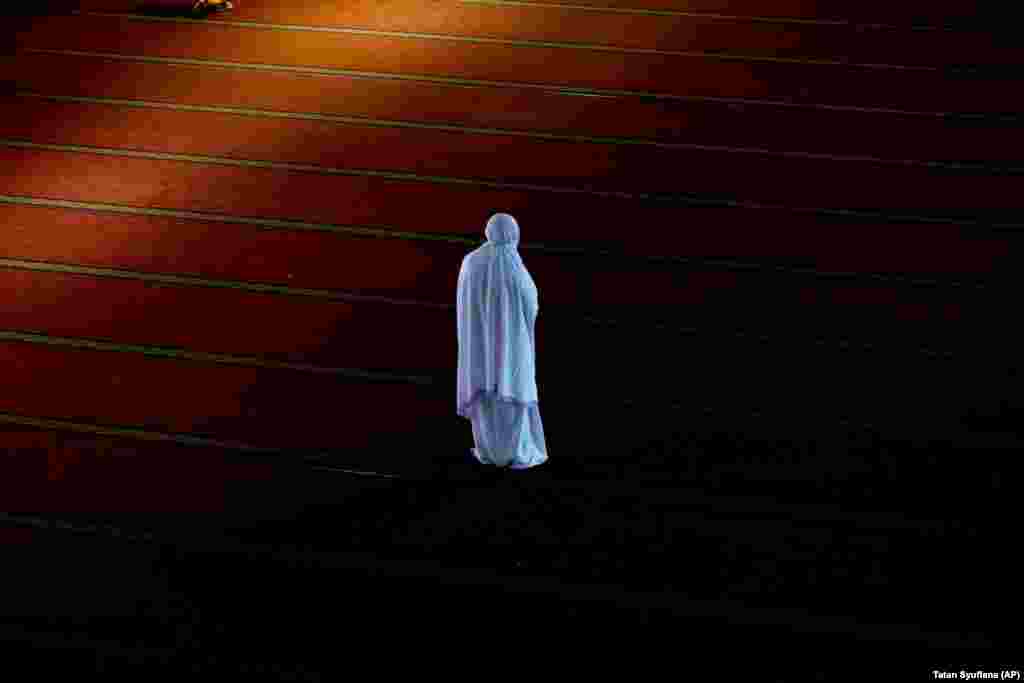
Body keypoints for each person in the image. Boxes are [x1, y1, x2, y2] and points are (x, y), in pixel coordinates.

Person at [456, 213, 548, 470]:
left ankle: (488, 448)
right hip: (511, 347)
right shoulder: (512, 264)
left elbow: (463, 303)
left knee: (486, 396)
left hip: (479, 348)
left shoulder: (470, 263)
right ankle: (514, 449)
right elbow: (531, 301)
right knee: (512, 390)